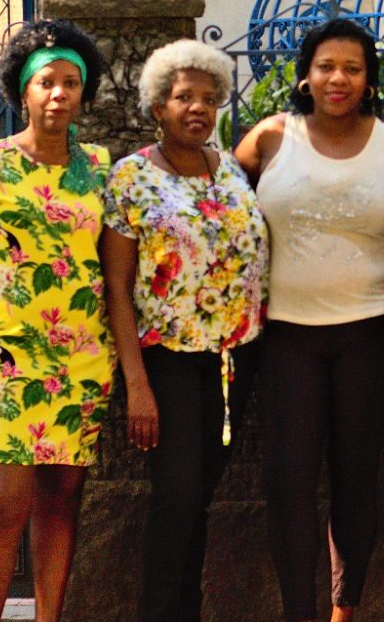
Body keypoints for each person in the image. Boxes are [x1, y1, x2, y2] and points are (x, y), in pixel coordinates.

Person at [234, 18, 384, 622]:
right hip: (287, 336)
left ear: (369, 81)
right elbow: (215, 206)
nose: (337, 78)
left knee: (356, 480)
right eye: (325, 66)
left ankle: (345, 609)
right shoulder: (268, 140)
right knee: (288, 484)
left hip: (371, 334)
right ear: (305, 76)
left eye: (352, 68)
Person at [0, 18, 111, 622]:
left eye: (70, 83)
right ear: (23, 91)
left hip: (82, 359)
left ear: (83, 92)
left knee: (61, 502)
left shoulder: (103, 170)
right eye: (46, 83)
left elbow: (116, 276)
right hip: (10, 356)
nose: (58, 94)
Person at [100, 39, 269, 622]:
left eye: (207, 98)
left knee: (199, 499)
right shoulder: (132, 179)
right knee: (176, 497)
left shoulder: (233, 173)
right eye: (182, 98)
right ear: (157, 108)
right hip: (167, 361)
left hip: (234, 360)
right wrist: (137, 384)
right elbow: (117, 288)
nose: (196, 108)